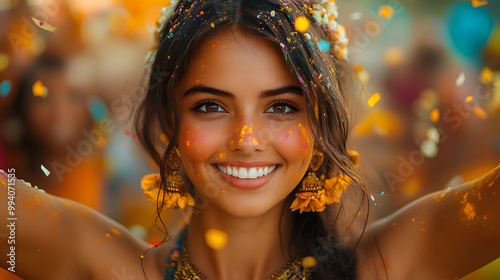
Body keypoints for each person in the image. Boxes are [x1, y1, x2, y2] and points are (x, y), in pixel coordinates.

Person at [1, 0, 499, 279]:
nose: (245, 138)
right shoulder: (108, 269)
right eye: (210, 107)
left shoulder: (387, 267)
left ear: (321, 123)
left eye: (281, 106)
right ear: (168, 121)